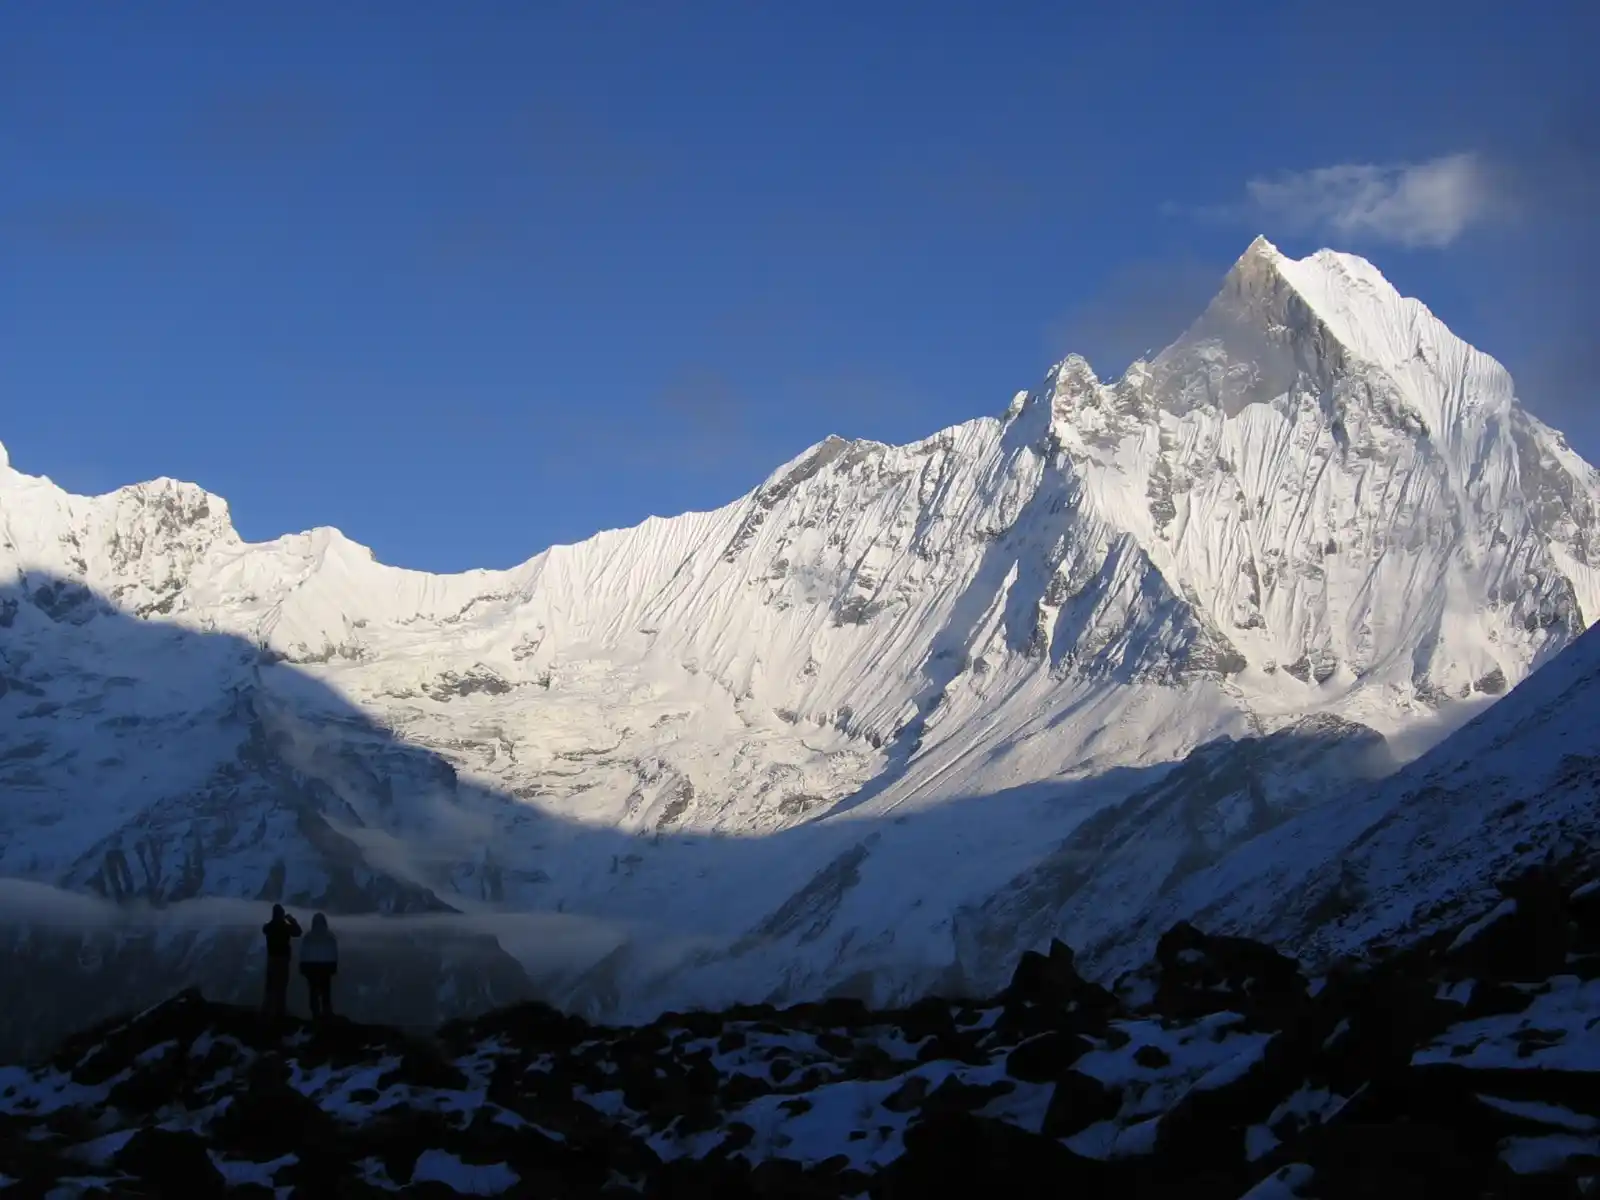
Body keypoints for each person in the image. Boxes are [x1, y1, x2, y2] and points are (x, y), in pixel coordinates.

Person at [260, 903, 302, 1018]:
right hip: (283, 959)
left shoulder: (270, 926)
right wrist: (292, 920)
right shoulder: (285, 927)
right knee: (281, 986)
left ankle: (267, 1010)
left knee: (270, 986)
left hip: (272, 959)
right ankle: (280, 1011)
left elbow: (264, 928)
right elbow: (298, 932)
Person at [298, 912, 338, 1021]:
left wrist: (302, 966)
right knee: (325, 993)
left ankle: (315, 1016)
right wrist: (333, 966)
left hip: (312, 967)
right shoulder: (330, 937)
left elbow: (304, 953)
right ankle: (326, 1015)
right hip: (325, 967)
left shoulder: (308, 937)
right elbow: (333, 953)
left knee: (313, 993)